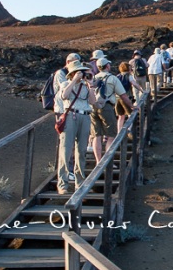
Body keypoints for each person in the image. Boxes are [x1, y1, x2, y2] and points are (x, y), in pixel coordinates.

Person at [57, 60, 96, 194]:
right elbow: (64, 96)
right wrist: (74, 80)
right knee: (66, 150)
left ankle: (80, 182)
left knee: (81, 151)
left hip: (85, 116)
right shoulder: (66, 83)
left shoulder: (86, 86)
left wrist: (90, 86)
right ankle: (63, 183)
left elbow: (93, 101)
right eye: (80, 72)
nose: (83, 74)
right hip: (70, 115)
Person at [91, 57, 134, 164]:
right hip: (106, 107)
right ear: (107, 66)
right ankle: (107, 162)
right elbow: (123, 95)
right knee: (111, 135)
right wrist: (132, 106)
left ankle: (98, 161)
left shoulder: (93, 78)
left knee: (97, 135)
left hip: (93, 107)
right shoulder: (112, 78)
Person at [53, 53, 81, 181]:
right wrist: (75, 79)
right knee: (65, 142)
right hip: (62, 110)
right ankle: (66, 170)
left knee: (72, 141)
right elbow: (66, 91)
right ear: (68, 61)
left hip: (72, 110)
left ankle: (71, 168)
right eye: (74, 62)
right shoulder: (61, 73)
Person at [115, 61, 143, 131]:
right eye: (130, 69)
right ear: (128, 69)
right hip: (126, 96)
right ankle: (129, 129)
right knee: (131, 114)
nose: (131, 70)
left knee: (121, 116)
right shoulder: (128, 76)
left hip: (117, 97)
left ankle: (119, 131)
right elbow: (134, 84)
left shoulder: (117, 76)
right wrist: (142, 90)